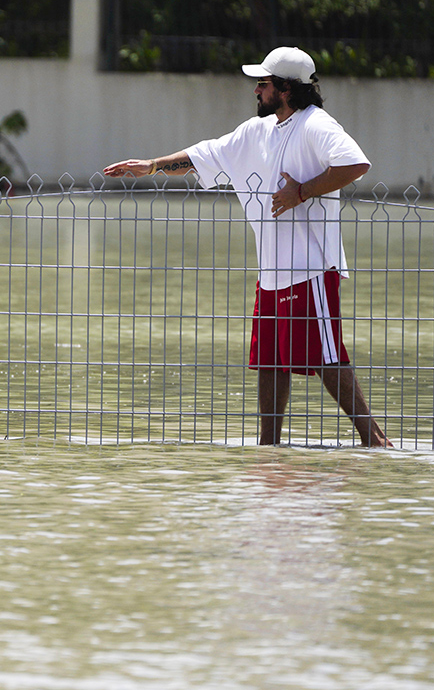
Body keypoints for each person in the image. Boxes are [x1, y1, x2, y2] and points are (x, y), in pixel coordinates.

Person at [103, 46, 392, 448]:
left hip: (311, 268)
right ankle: (268, 448)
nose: (256, 90)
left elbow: (356, 164)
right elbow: (205, 154)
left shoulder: (316, 124)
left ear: (287, 89)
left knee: (326, 357)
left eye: (263, 83)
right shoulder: (257, 131)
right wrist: (151, 165)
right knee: (270, 361)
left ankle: (375, 441)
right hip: (271, 274)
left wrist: (302, 192)